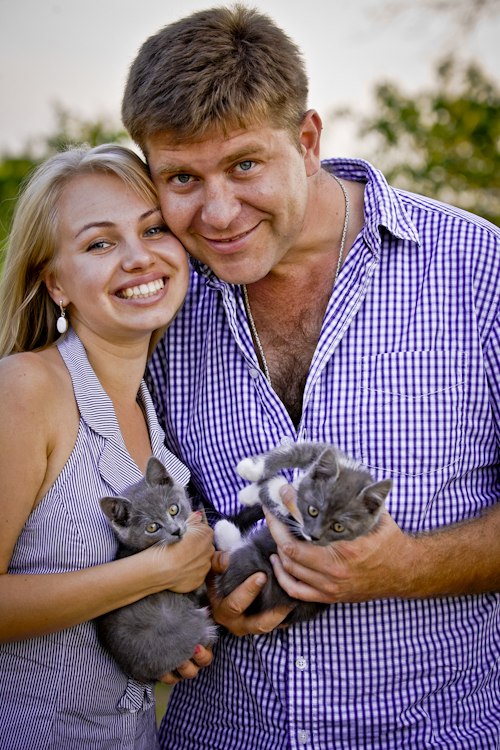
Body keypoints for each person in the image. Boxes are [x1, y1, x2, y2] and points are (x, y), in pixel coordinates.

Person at [121, 5, 500, 749]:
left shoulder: (478, 270)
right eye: (182, 178)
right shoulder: (153, 306)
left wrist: (408, 567)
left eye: (245, 165)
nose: (218, 212)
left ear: (308, 141)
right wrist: (198, 590)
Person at [0, 144, 214, 750]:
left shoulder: (155, 408)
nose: (139, 257)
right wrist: (158, 570)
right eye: (99, 243)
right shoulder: (26, 388)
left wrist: (165, 629)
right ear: (56, 282)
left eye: (154, 229)